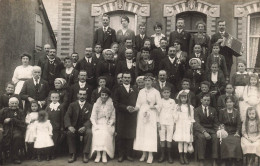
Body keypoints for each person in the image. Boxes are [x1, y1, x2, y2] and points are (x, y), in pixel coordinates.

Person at [133, 75, 162, 164]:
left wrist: (152, 106)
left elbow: (160, 104)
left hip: (151, 114)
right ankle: (144, 154)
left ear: (152, 81)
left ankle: (150, 155)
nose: (147, 82)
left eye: (149, 80)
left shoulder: (156, 92)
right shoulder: (141, 91)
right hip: (142, 114)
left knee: (150, 134)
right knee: (142, 133)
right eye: (146, 80)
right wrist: (135, 109)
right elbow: (138, 104)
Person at [113, 72, 138, 162]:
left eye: (128, 77)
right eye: (125, 77)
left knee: (130, 135)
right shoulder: (118, 89)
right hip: (122, 115)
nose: (127, 79)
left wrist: (134, 108)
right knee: (121, 136)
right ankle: (121, 155)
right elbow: (115, 103)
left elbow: (138, 101)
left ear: (131, 79)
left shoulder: (135, 89)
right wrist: (125, 107)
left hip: (132, 115)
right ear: (122, 79)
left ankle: (129, 154)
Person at [64, 89, 92, 163]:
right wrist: (69, 126)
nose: (82, 96)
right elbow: (67, 116)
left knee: (89, 132)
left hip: (84, 127)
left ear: (86, 96)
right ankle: (73, 153)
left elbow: (91, 118)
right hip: (74, 127)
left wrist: (85, 126)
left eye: (84, 94)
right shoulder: (72, 105)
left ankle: (85, 154)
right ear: (77, 95)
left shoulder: (90, 106)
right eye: (80, 94)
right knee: (69, 133)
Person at [90, 88, 115, 163]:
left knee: (105, 134)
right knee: (97, 133)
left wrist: (110, 123)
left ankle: (104, 154)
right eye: (102, 95)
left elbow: (113, 117)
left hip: (107, 123)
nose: (104, 96)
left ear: (108, 96)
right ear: (100, 95)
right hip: (98, 123)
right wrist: (95, 125)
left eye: (105, 95)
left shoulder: (111, 104)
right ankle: (98, 154)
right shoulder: (96, 104)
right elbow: (93, 117)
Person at [194, 93, 219, 166]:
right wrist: (204, 132)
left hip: (211, 129)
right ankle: (201, 159)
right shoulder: (196, 110)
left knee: (215, 137)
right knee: (201, 137)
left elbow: (216, 123)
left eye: (208, 100)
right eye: (205, 100)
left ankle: (214, 159)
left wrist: (217, 130)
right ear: (201, 100)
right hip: (200, 130)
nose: (206, 102)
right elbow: (196, 124)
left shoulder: (213, 110)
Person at [0, 97, 26, 164]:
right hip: (5, 129)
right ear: (8, 103)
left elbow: (23, 124)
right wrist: (0, 127)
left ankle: (15, 157)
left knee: (17, 137)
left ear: (18, 104)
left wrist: (12, 120)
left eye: (15, 103)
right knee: (1, 137)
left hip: (17, 129)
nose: (14, 105)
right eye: (12, 103)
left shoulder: (20, 112)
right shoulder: (3, 110)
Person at [218, 96, 242, 166]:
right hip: (226, 132)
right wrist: (223, 130)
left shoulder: (236, 111)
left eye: (230, 102)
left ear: (233, 103)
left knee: (237, 141)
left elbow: (239, 124)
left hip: (234, 132)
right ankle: (228, 160)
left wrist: (237, 132)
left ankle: (235, 159)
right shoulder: (222, 111)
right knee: (225, 141)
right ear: (225, 103)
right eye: (227, 102)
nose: (229, 103)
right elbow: (220, 122)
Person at [173, 91, 195, 165]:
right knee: (180, 140)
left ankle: (185, 156)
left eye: (185, 98)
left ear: (187, 98)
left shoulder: (190, 107)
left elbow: (191, 118)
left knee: (186, 140)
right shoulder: (177, 106)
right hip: (179, 125)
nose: (183, 99)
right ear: (179, 98)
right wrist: (178, 112)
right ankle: (181, 156)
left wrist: (191, 126)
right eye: (182, 98)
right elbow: (175, 118)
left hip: (186, 125)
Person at [158, 87, 176, 163]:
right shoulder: (160, 101)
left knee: (169, 138)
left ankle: (169, 156)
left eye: (167, 92)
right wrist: (158, 122)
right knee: (162, 138)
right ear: (162, 93)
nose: (166, 94)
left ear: (170, 93)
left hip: (170, 122)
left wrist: (174, 123)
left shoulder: (172, 101)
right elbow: (157, 112)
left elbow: (174, 112)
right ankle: (162, 155)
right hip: (161, 122)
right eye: (164, 92)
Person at [45, 92, 64, 159]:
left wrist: (62, 127)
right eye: (53, 97)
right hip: (49, 126)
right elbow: (45, 116)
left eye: (56, 97)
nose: (54, 99)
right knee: (48, 140)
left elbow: (62, 117)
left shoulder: (61, 106)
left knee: (55, 141)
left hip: (56, 127)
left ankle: (53, 153)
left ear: (58, 98)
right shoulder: (48, 106)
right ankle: (48, 154)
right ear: (50, 98)